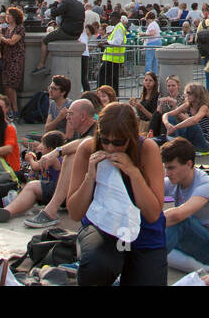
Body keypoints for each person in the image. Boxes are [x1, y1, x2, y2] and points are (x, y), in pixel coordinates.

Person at [66, 102, 167, 285]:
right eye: (105, 141)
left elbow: (153, 214)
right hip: (103, 230)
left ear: (131, 138)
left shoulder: (147, 149)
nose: (111, 148)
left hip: (144, 234)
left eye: (118, 142)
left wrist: (134, 173)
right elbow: (74, 212)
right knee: (96, 266)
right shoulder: (87, 149)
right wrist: (90, 177)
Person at [20, 98, 99, 229]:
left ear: (83, 116)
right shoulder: (79, 131)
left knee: (71, 155)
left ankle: (51, 211)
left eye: (71, 114)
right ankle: (8, 212)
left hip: (94, 184)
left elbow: (87, 142)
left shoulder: (97, 129)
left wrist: (57, 151)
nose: (67, 117)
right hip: (77, 185)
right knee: (32, 186)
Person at [161, 136, 209, 272]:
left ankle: (146, 265)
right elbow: (149, 190)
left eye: (171, 168)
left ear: (188, 164)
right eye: (166, 168)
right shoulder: (174, 180)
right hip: (190, 240)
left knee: (179, 220)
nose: (167, 173)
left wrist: (145, 223)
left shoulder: (205, 186)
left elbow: (178, 216)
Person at [162, 82, 209, 154]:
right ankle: (175, 143)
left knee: (192, 122)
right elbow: (166, 114)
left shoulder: (204, 107)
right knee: (171, 118)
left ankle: (176, 144)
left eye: (189, 93)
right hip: (190, 139)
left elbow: (194, 120)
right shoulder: (188, 105)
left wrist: (175, 128)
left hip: (203, 143)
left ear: (197, 94)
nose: (187, 95)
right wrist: (167, 124)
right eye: (186, 93)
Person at [0, 6, 27, 118]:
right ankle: (9, 109)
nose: (7, 17)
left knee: (11, 85)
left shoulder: (20, 29)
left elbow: (12, 42)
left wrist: (1, 38)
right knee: (5, 85)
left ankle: (15, 110)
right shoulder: (5, 29)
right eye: (6, 15)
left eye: (9, 15)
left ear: (15, 17)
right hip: (5, 59)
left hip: (15, 59)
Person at [101, 12, 128, 94]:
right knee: (112, 81)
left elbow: (117, 41)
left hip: (112, 59)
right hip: (113, 59)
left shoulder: (119, 28)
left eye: (111, 18)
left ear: (116, 18)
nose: (110, 20)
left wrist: (106, 43)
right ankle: (114, 97)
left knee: (105, 79)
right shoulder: (117, 27)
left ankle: (111, 97)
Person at [142, 9, 162, 75]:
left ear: (148, 19)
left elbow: (152, 33)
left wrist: (143, 34)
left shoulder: (151, 25)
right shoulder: (155, 24)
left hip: (152, 43)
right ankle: (154, 74)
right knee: (155, 61)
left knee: (149, 60)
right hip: (157, 42)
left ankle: (148, 74)